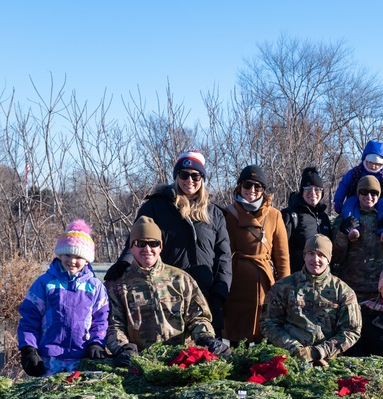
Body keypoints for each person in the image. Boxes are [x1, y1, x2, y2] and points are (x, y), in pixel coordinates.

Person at [105, 149, 232, 333]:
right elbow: (137, 239)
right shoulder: (156, 206)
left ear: (202, 179)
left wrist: (220, 291)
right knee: (173, 353)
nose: (190, 180)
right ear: (176, 176)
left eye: (195, 176)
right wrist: (124, 262)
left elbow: (224, 257)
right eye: (184, 175)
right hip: (167, 293)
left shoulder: (215, 213)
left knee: (207, 352)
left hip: (206, 293)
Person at [106, 217, 229, 367]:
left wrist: (206, 337)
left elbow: (198, 317)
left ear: (160, 247)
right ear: (132, 247)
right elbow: (114, 324)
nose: (147, 249)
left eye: (153, 244)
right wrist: (123, 348)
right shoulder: (118, 284)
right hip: (139, 362)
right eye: (141, 243)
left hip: (181, 361)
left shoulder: (181, 279)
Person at [17, 220, 109, 376]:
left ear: (87, 259)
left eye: (78, 256)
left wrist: (96, 343)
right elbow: (29, 318)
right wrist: (28, 348)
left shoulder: (95, 287)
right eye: (67, 254)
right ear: (60, 255)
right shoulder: (45, 283)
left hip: (81, 358)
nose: (72, 261)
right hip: (48, 358)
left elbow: (101, 320)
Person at [262, 234, 363, 366]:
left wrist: (319, 352)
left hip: (329, 362)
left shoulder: (343, 291)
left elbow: (351, 330)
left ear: (328, 259)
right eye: (311, 253)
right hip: (288, 359)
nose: (315, 259)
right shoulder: (283, 287)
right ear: (304, 256)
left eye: (321, 255)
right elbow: (268, 323)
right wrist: (294, 349)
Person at [223, 165, 291, 344]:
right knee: (236, 339)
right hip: (235, 286)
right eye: (247, 185)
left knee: (264, 337)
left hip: (264, 285)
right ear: (239, 186)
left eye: (257, 186)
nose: (251, 190)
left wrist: (284, 290)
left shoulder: (274, 215)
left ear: (263, 190)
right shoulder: (228, 214)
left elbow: (282, 258)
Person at [331, 176, 383, 304]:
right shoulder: (345, 217)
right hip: (351, 286)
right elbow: (335, 255)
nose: (369, 196)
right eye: (364, 192)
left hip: (382, 288)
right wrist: (343, 233)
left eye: (374, 193)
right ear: (358, 193)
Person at [332, 140, 383, 235]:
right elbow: (343, 186)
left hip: (379, 199)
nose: (374, 166)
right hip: (357, 198)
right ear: (365, 160)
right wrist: (338, 200)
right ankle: (353, 229)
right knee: (349, 206)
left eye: (377, 164)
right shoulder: (355, 173)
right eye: (371, 163)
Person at [282, 167, 333, 274]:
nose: (313, 192)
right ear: (302, 191)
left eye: (317, 189)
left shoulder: (324, 217)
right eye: (308, 189)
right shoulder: (290, 215)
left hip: (321, 283)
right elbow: (281, 251)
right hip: (297, 281)